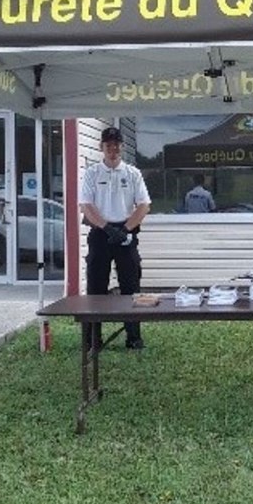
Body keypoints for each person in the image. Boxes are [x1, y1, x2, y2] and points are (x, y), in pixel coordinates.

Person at [79, 126, 152, 350]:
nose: (113, 149)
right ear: (102, 147)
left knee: (131, 286)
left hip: (126, 233)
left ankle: (133, 337)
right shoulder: (92, 173)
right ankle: (93, 339)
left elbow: (144, 206)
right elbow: (86, 205)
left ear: (122, 147)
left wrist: (126, 230)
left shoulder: (132, 173)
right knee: (96, 287)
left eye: (117, 145)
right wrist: (107, 228)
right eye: (108, 145)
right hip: (101, 233)